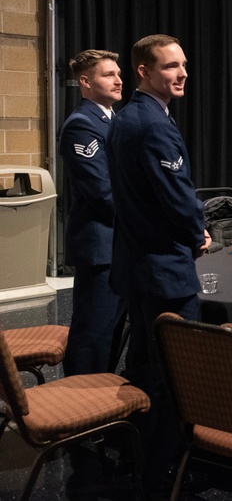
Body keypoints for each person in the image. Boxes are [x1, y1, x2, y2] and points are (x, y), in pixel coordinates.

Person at [106, 34, 211, 483]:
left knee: (146, 368)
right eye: (170, 66)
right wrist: (198, 232)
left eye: (183, 64)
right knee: (172, 375)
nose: (182, 72)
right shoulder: (152, 124)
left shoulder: (127, 117)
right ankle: (164, 470)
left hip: (138, 266)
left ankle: (137, 456)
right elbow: (176, 196)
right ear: (143, 72)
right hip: (164, 270)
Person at [59, 49, 126, 376]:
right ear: (85, 82)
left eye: (118, 73)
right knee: (93, 336)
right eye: (108, 75)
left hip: (123, 243)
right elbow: (102, 192)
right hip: (101, 245)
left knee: (113, 335)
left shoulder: (117, 120)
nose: (118, 80)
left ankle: (104, 411)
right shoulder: (82, 125)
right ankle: (76, 414)